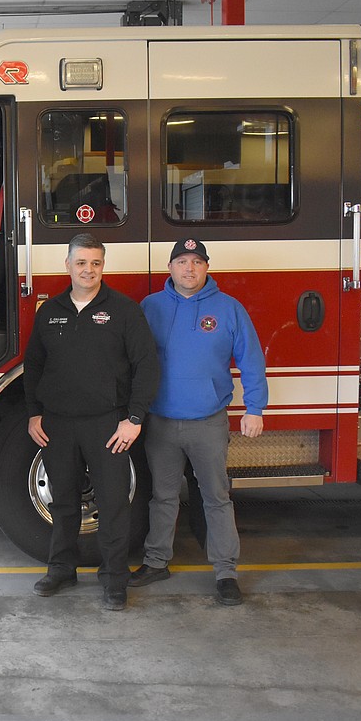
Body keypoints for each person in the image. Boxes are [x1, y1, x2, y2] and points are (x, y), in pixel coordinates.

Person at [22, 233, 160, 611]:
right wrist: (35, 411)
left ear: (103, 266)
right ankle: (62, 568)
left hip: (108, 424)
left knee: (114, 504)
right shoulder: (49, 312)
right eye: (81, 262)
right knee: (63, 501)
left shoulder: (124, 310)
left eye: (95, 263)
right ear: (67, 265)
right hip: (58, 425)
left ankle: (115, 579)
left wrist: (133, 419)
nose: (88, 270)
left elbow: (147, 366)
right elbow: (33, 365)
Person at [130, 238, 268, 606]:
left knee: (216, 497)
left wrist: (254, 408)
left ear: (207, 267)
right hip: (160, 421)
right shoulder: (150, 307)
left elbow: (252, 360)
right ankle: (156, 561)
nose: (188, 268)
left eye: (196, 261)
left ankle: (225, 572)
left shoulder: (229, 308)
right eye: (181, 261)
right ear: (170, 267)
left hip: (208, 422)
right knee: (162, 496)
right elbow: (134, 361)